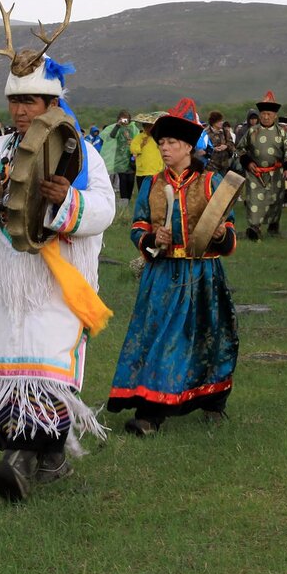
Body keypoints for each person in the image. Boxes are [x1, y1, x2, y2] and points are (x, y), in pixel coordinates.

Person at [0, 0, 114, 501]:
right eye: (15, 102)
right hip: (2, 282)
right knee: (6, 367)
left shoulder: (81, 155)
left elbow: (105, 209)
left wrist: (67, 201)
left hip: (54, 284)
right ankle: (47, 457)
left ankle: (19, 460)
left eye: (31, 103)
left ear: (51, 106)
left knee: (44, 368)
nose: (20, 111)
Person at [107, 112, 239, 435]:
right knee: (160, 339)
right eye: (161, 143)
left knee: (210, 338)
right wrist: (153, 239)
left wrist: (221, 233)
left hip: (204, 275)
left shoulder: (211, 182)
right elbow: (138, 227)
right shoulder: (153, 184)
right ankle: (150, 414)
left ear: (188, 147)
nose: (164, 148)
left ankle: (212, 401)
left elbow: (230, 227)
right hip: (163, 277)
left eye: (171, 143)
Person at [235, 91, 287, 240]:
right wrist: (247, 162)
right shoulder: (252, 132)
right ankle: (254, 228)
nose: (266, 117)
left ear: (275, 116)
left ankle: (273, 227)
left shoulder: (281, 133)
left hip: (276, 174)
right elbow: (240, 149)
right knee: (255, 200)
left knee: (275, 200)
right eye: (263, 114)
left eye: (269, 114)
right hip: (255, 173)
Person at [101, 110, 137, 203]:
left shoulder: (133, 129)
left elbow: (137, 140)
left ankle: (128, 198)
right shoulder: (116, 128)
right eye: (122, 119)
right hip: (120, 158)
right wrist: (117, 126)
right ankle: (124, 201)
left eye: (126, 119)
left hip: (131, 158)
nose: (124, 121)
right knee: (123, 180)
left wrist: (131, 141)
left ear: (129, 119)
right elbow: (112, 136)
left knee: (130, 180)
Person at [129, 112, 165, 195]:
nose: (149, 129)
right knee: (143, 193)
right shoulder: (139, 137)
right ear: (144, 127)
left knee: (156, 193)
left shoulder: (159, 137)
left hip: (157, 170)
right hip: (143, 171)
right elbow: (133, 150)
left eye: (151, 127)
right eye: (147, 127)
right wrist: (141, 145)